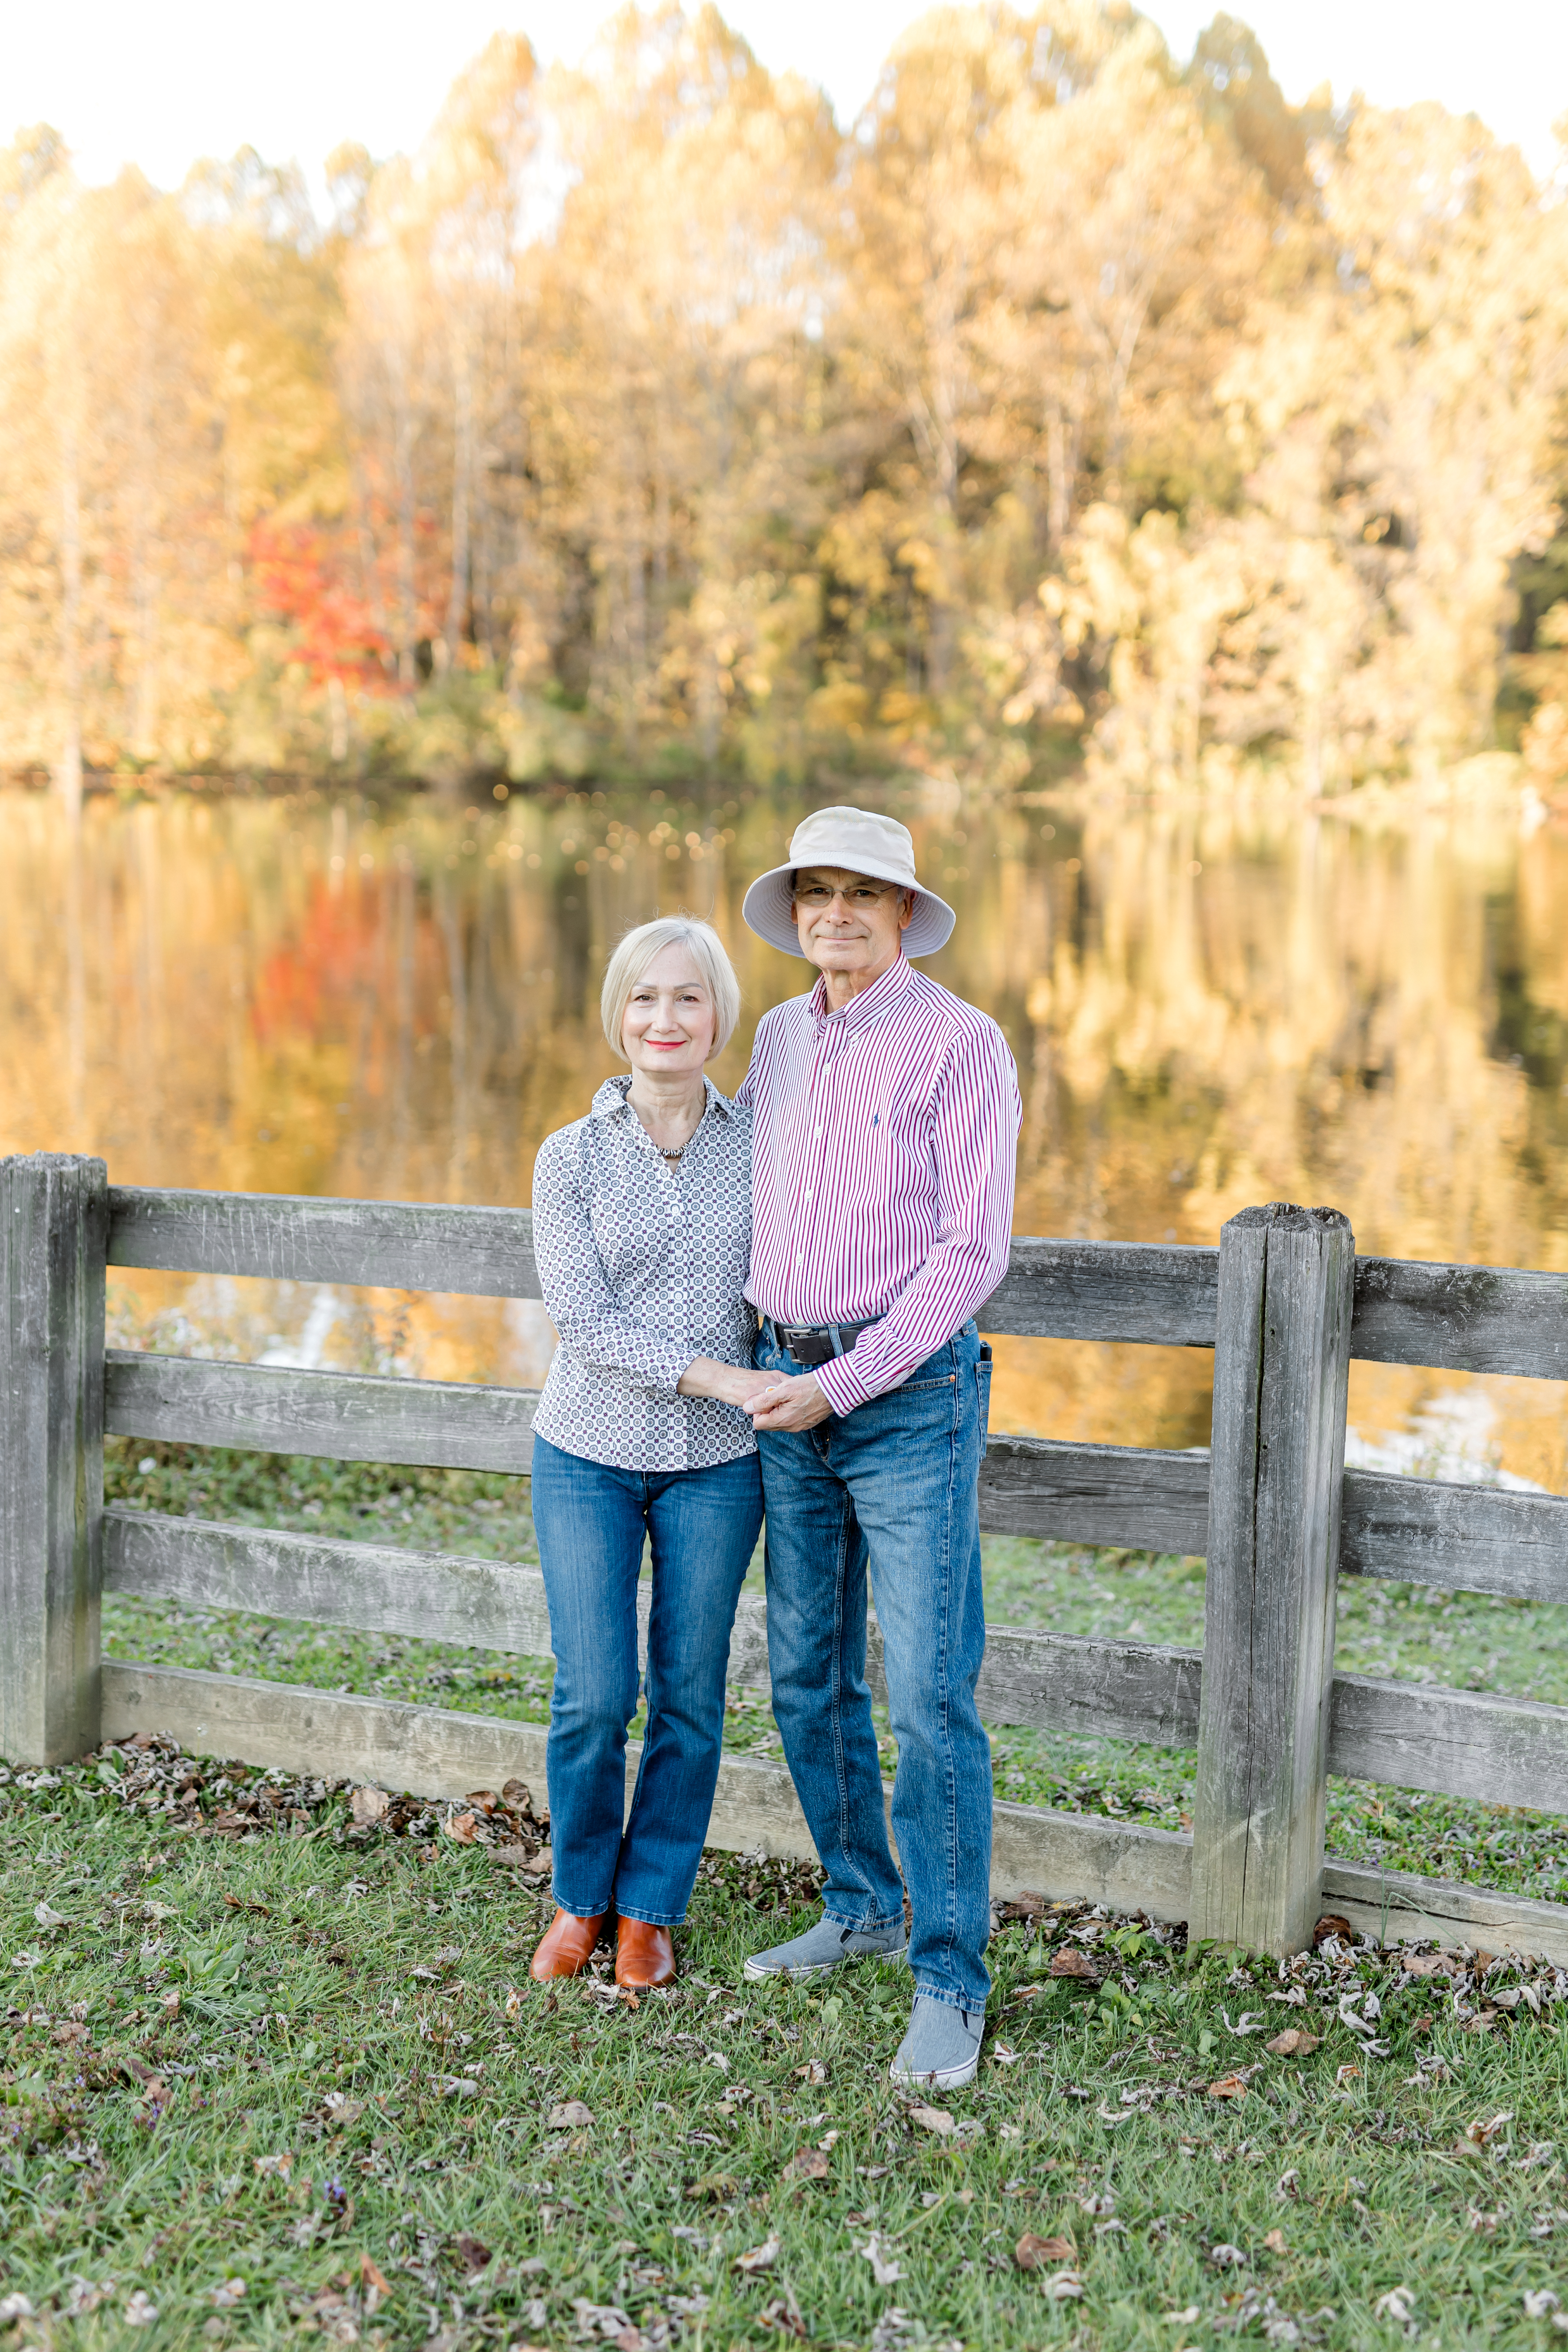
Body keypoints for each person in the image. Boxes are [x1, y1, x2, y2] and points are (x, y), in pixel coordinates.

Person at [736, 806, 1021, 2089]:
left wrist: (846, 1380)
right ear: (796, 910)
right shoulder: (781, 1035)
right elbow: (737, 1188)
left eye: (865, 894)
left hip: (906, 1402)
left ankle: (951, 1980)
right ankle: (863, 1903)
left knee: (930, 1696)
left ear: (905, 912)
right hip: (783, 1390)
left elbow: (971, 1251)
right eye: (818, 892)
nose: (837, 914)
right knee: (805, 1673)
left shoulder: (963, 1046)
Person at [527, 916, 768, 1991]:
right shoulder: (568, 1158)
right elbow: (584, 1324)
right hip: (586, 1450)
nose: (663, 1019)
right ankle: (580, 1897)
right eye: (643, 999)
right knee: (593, 1692)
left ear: (719, 1016)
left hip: (720, 1469)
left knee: (688, 1693)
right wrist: (724, 1376)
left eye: (687, 998)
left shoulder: (764, 1146)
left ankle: (649, 1909)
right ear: (617, 1015)